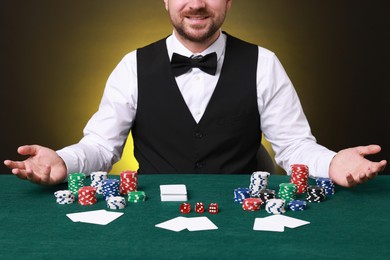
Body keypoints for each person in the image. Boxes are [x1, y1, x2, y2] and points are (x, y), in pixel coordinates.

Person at [4, 0, 387, 188]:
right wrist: (64, 163)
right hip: (152, 212)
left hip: (243, 220)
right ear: (166, 1)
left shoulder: (264, 63)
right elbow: (103, 148)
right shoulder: (131, 65)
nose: (197, 4)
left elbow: (294, 147)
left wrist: (333, 163)